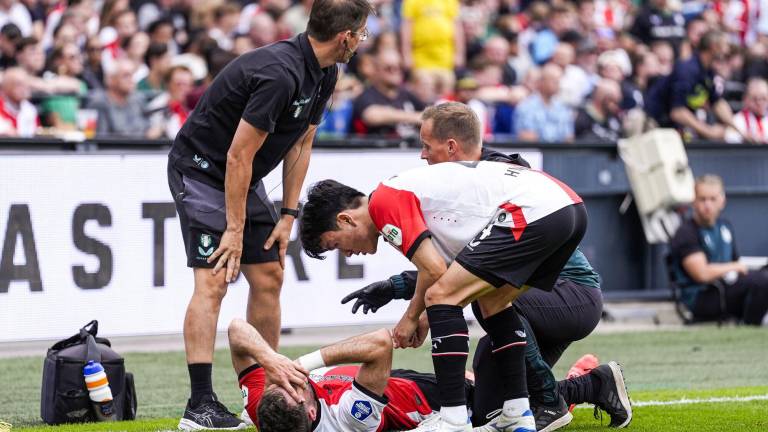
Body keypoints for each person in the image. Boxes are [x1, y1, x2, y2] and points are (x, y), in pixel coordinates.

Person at [339, 102, 630, 431]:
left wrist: (413, 312)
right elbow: (460, 260)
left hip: (567, 293)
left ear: (451, 147)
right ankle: (585, 387)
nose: (421, 156)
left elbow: (458, 269)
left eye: (425, 146)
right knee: (486, 405)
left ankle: (545, 401)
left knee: (479, 293)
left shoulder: (481, 175)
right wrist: (397, 289)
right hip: (541, 286)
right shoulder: (462, 180)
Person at [167, 1, 374, 429]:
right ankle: (199, 405)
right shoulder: (279, 73)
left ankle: (263, 391)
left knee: (270, 275)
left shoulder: (326, 72)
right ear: (346, 37)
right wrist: (236, 230)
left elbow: (301, 144)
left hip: (243, 175)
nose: (362, 40)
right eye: (362, 33)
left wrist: (288, 214)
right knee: (214, 280)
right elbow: (239, 155)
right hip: (204, 170)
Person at [299, 128, 588, 431]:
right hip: (567, 205)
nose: (345, 254)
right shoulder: (399, 193)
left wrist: (414, 317)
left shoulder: (383, 203)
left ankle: (452, 418)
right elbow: (435, 269)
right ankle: (517, 412)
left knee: (441, 297)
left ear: (346, 219)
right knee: (492, 300)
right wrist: (417, 313)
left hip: (536, 210)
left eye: (336, 245)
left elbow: (436, 274)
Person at [229, 318, 628, 432]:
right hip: (430, 406)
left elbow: (235, 329)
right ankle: (591, 383)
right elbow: (380, 345)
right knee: (507, 413)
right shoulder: (349, 417)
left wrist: (272, 359)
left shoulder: (268, 398)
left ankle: (584, 380)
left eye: (281, 380)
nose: (289, 379)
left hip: (402, 381)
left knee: (492, 381)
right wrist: (307, 362)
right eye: (294, 386)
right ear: (310, 411)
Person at [669, 174, 768, 325]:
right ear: (694, 201)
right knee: (762, 282)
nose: (707, 205)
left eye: (712, 199)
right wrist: (735, 267)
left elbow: (736, 264)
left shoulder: (725, 227)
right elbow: (701, 274)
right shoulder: (687, 232)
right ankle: (751, 326)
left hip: (729, 287)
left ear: (722, 201)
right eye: (702, 199)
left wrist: (741, 268)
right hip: (703, 296)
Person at [645, 31, 739, 141]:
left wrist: (739, 130)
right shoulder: (687, 70)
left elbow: (717, 102)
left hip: (672, 127)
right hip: (654, 122)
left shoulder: (707, 71)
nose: (727, 51)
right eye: (725, 46)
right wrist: (709, 132)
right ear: (714, 47)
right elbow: (677, 112)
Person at [726, 77, 768, 144]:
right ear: (746, 99)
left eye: (764, 98)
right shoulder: (737, 121)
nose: (759, 103)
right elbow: (730, 139)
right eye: (755, 99)